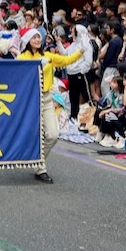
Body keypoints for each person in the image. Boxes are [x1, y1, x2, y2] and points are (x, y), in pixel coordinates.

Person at [17, 28, 82, 183]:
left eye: (39, 37)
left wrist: (81, 52)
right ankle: (40, 168)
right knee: (31, 134)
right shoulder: (21, 58)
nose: (37, 40)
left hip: (46, 98)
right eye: (34, 38)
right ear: (27, 41)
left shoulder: (48, 56)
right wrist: (40, 64)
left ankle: (37, 160)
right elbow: (20, 75)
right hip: (28, 99)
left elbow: (66, 61)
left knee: (52, 134)